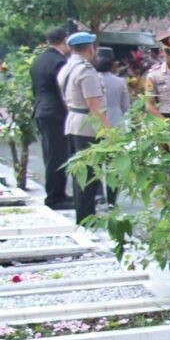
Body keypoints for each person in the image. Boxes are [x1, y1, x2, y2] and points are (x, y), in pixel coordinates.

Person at [57, 32, 112, 224]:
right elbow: (94, 106)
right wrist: (109, 132)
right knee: (89, 178)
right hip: (88, 127)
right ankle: (86, 218)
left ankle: (84, 216)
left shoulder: (67, 68)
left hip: (73, 121)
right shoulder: (86, 71)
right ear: (90, 48)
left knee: (79, 175)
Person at [29, 27, 72, 209]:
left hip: (42, 109)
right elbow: (63, 90)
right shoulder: (58, 62)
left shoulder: (39, 60)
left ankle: (58, 193)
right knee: (58, 156)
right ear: (64, 40)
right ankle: (55, 197)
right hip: (55, 112)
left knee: (52, 154)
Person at [94, 47, 129, 207]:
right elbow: (126, 106)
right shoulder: (120, 82)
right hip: (115, 124)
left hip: (95, 124)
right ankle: (111, 199)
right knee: (113, 164)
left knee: (95, 162)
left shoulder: (91, 80)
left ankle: (97, 194)